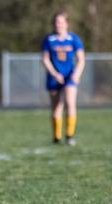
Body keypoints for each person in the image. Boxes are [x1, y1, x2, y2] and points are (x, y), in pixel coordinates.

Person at [41, 11, 85, 146]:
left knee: (70, 104)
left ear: (67, 24)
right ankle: (56, 137)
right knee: (56, 108)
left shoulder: (74, 39)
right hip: (54, 77)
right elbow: (45, 59)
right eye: (56, 22)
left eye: (60, 22)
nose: (58, 24)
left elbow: (81, 59)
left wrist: (76, 74)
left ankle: (69, 135)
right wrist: (55, 74)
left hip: (69, 76)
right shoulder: (49, 40)